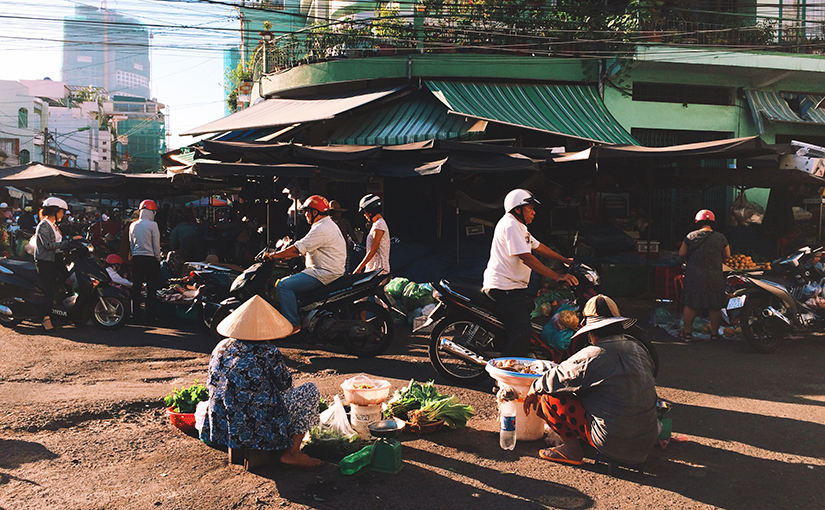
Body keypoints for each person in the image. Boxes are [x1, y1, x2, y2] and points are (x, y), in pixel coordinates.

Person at [523, 294, 659, 466]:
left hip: (611, 441)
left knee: (548, 397)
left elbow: (553, 379)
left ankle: (571, 450)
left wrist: (533, 389)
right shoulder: (638, 349)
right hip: (647, 441)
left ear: (591, 332)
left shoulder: (592, 355)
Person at [201, 295, 324, 470]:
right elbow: (285, 384)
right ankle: (292, 453)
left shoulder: (222, 346)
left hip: (223, 419)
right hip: (255, 423)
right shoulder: (267, 351)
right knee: (309, 390)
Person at [483, 189, 578, 357]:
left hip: (511, 288)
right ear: (517, 209)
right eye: (530, 208)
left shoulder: (520, 227)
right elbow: (527, 258)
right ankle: (507, 371)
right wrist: (557, 276)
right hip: (504, 289)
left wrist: (565, 260)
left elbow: (538, 247)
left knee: (518, 327)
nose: (534, 212)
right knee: (522, 333)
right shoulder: (510, 225)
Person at [264, 195, 346, 334]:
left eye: (307, 211)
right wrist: (287, 255)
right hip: (327, 270)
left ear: (315, 212)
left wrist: (273, 255)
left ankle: (292, 324)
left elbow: (298, 248)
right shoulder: (326, 225)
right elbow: (306, 247)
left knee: (284, 285)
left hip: (323, 273)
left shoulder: (321, 228)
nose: (305, 215)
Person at [677, 209, 730, 342]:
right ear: (713, 222)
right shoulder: (721, 237)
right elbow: (727, 255)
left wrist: (688, 260)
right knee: (715, 305)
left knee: (691, 304)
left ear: (697, 222)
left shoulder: (691, 236)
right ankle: (714, 334)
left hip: (694, 275)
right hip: (714, 275)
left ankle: (687, 333)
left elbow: (681, 253)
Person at [34, 197, 81, 330]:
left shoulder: (54, 226)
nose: (63, 214)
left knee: (68, 282)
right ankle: (46, 318)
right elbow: (48, 245)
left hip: (57, 260)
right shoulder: (44, 225)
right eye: (62, 212)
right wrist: (69, 242)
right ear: (55, 211)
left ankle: (67, 313)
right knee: (50, 290)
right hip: (45, 261)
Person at [129, 199, 162, 324]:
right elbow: (156, 245)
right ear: (152, 212)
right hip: (150, 259)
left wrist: (134, 255)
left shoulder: (133, 225)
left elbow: (131, 244)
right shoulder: (153, 225)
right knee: (151, 289)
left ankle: (135, 316)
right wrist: (157, 258)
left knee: (136, 288)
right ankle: (150, 317)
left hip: (137, 258)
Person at [353, 194, 391, 275]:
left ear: (370, 211)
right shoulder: (377, 224)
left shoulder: (379, 225)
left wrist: (359, 268)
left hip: (378, 270)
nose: (364, 215)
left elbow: (373, 250)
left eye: (365, 212)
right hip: (374, 270)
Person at [329, 200, 358, 272]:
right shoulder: (344, 222)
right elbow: (351, 233)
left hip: (332, 251)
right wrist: (357, 241)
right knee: (345, 269)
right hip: (344, 249)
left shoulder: (327, 223)